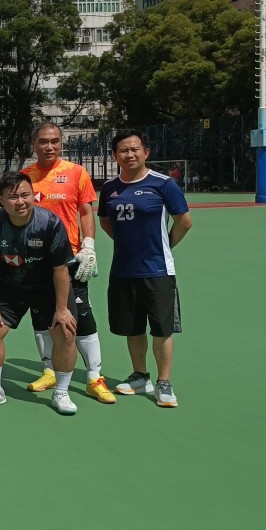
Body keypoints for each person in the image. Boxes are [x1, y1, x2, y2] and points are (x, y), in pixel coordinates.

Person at [20, 122, 115, 404]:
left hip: (70, 258)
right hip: (34, 259)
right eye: (43, 141)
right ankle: (49, 370)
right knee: (41, 316)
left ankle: (94, 377)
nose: (49, 147)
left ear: (61, 143)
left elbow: (85, 211)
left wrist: (89, 245)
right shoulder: (24, 176)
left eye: (54, 141)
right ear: (33, 144)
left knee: (81, 316)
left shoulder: (76, 173)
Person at [99, 130, 192, 408]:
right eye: (123, 150)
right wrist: (126, 243)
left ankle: (164, 382)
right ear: (115, 155)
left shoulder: (163, 184)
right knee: (133, 327)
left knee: (162, 329)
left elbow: (184, 221)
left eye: (134, 149)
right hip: (123, 270)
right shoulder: (109, 188)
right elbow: (105, 221)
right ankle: (140, 376)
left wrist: (164, 246)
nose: (129, 154)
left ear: (145, 152)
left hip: (157, 270)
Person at [0, 172, 80, 415]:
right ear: (1, 200)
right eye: (13, 197)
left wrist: (62, 309)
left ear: (33, 195)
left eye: (25, 195)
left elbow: (60, 270)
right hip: (11, 285)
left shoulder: (50, 223)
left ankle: (61, 393)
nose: (20, 202)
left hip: (48, 286)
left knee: (65, 332)